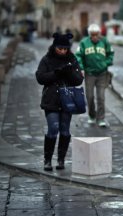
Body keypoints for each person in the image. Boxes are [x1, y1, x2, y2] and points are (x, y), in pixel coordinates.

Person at [35, 33, 84, 171]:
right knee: (53, 129)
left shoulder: (72, 59)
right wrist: (56, 73)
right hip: (51, 99)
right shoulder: (47, 59)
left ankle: (61, 160)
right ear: (55, 47)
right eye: (60, 48)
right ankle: (47, 160)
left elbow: (79, 80)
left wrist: (69, 72)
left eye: (65, 49)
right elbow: (40, 77)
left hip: (67, 100)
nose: (62, 51)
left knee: (65, 131)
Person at [75, 23, 114, 127]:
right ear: (89, 34)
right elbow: (78, 56)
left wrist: (106, 63)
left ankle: (101, 118)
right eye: (93, 35)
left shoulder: (104, 41)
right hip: (89, 74)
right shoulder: (84, 43)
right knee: (90, 96)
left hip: (102, 73)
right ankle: (92, 115)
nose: (95, 37)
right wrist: (82, 68)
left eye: (97, 34)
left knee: (101, 97)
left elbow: (111, 53)